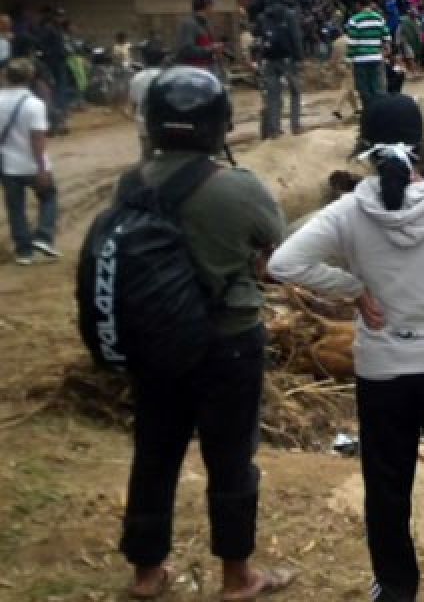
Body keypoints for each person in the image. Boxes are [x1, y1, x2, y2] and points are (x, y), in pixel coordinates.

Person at [267, 95, 424, 602]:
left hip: (384, 372)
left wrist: (355, 289)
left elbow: (284, 263)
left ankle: (395, 589)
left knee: (387, 487)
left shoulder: (349, 211)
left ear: (365, 149)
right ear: (423, 145)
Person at [118, 67, 292, 601]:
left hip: (156, 341)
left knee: (154, 451)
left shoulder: (132, 184)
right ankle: (237, 576)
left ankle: (148, 572)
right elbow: (279, 252)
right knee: (231, 457)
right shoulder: (236, 187)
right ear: (217, 125)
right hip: (229, 340)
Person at [0, 58, 58, 265]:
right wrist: (42, 167)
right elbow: (37, 139)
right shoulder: (34, 104)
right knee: (49, 196)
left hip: (7, 164)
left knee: (15, 207)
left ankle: (23, 251)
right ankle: (43, 236)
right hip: (31, 163)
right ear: (30, 77)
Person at [255, 0, 305, 138]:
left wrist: (259, 58)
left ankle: (274, 129)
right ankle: (295, 126)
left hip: (269, 59)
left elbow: (259, 38)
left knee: (273, 95)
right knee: (295, 91)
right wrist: (299, 57)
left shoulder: (262, 16)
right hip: (287, 59)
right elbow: (295, 37)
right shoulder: (289, 14)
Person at [346, 0, 390, 109]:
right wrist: (384, 52)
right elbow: (387, 38)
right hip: (376, 58)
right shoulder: (379, 18)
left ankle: (369, 113)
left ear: (358, 5)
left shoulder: (354, 20)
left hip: (360, 60)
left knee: (364, 90)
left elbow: (352, 42)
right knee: (378, 88)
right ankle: (380, 112)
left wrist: (348, 59)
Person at [128, 64, 164, 160]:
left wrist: (132, 115)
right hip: (163, 120)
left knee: (147, 155)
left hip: (143, 120)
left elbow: (133, 103)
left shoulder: (137, 77)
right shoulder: (166, 75)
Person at [175, 0, 218, 70]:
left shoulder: (206, 24)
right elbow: (186, 51)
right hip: (195, 74)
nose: (213, 9)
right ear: (207, 6)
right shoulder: (189, 24)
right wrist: (210, 49)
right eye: (211, 5)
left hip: (206, 71)